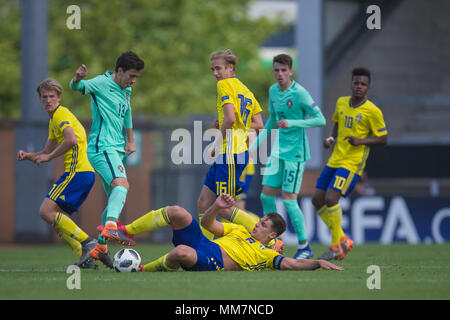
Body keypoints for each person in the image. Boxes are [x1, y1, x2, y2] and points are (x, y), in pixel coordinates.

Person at [118, 193, 343, 272]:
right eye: (260, 220)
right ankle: (126, 230)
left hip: (212, 260)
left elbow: (292, 264)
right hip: (204, 244)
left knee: (181, 252)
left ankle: (142, 269)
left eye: (263, 224)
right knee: (177, 211)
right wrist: (215, 207)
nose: (257, 224)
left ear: (272, 236)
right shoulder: (239, 229)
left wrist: (317, 263)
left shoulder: (267, 255)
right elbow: (207, 225)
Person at [69, 51, 145, 267]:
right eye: (131, 75)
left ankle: (101, 247)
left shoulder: (126, 88)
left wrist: (130, 141)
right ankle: (110, 226)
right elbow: (76, 88)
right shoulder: (100, 83)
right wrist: (77, 78)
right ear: (119, 70)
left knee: (116, 194)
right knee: (122, 186)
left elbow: (127, 112)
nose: (133, 80)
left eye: (136, 77)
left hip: (115, 149)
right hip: (102, 147)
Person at [250, 54, 326, 260]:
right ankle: (275, 242)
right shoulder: (273, 91)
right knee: (265, 196)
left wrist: (293, 123)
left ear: (291, 71)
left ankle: (304, 247)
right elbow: (272, 120)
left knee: (290, 200)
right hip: (277, 152)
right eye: (276, 70)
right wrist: (254, 146)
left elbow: (320, 119)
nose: (280, 74)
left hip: (296, 154)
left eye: (284, 70)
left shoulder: (300, 93)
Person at [17, 78, 97, 267]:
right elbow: (44, 153)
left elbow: (71, 140)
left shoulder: (61, 114)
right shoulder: (54, 120)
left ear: (59, 98)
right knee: (56, 219)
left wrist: (50, 157)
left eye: (52, 96)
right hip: (84, 174)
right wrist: (28, 155)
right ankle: (88, 257)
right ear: (39, 99)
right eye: (44, 97)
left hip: (76, 172)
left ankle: (88, 243)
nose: (48, 100)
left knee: (45, 211)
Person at [312, 67, 388, 260]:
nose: (359, 87)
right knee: (316, 199)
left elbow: (383, 138)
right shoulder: (341, 102)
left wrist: (361, 141)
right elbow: (337, 124)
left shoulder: (372, 111)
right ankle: (343, 238)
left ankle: (336, 244)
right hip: (335, 159)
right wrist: (330, 138)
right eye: (356, 83)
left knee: (331, 199)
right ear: (351, 84)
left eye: (363, 84)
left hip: (352, 164)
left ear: (368, 87)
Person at [197, 49, 264, 240]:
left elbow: (230, 118)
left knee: (224, 208)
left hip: (230, 154)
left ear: (230, 68)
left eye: (218, 69)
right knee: (203, 202)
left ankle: (270, 238)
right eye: (212, 69)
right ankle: (204, 247)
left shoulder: (224, 85)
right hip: (234, 154)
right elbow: (259, 124)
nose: (215, 73)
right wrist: (234, 124)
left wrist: (214, 144)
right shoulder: (246, 90)